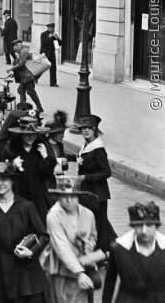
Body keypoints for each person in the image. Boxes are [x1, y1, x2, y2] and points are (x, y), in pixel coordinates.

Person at [0, 161, 51, 303]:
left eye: (4, 179)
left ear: (12, 180)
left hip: (24, 271)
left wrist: (31, 252)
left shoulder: (26, 206)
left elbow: (44, 235)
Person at [43, 176, 98, 303]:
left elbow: (93, 236)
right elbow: (61, 247)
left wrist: (90, 246)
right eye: (64, 196)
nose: (69, 200)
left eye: (73, 196)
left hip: (83, 267)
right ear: (58, 197)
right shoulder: (53, 216)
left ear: (78, 196)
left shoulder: (88, 214)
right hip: (61, 270)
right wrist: (79, 273)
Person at [102, 201, 165, 303]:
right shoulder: (119, 248)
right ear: (133, 226)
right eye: (139, 225)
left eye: (149, 225)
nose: (144, 230)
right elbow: (110, 282)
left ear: (156, 226)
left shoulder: (163, 247)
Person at [74, 114, 117, 252]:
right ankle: (114, 249)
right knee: (99, 222)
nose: (86, 131)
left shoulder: (98, 149)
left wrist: (85, 177)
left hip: (98, 193)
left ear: (95, 130)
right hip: (88, 191)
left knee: (98, 224)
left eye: (89, 128)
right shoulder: (87, 146)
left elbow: (106, 172)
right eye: (83, 128)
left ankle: (100, 252)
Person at [7, 39, 44, 114]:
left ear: (19, 45)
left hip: (28, 77)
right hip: (24, 77)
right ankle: (22, 106)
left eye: (15, 46)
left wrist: (11, 69)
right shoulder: (21, 52)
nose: (14, 48)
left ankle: (39, 107)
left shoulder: (24, 52)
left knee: (31, 92)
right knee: (21, 90)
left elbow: (21, 64)